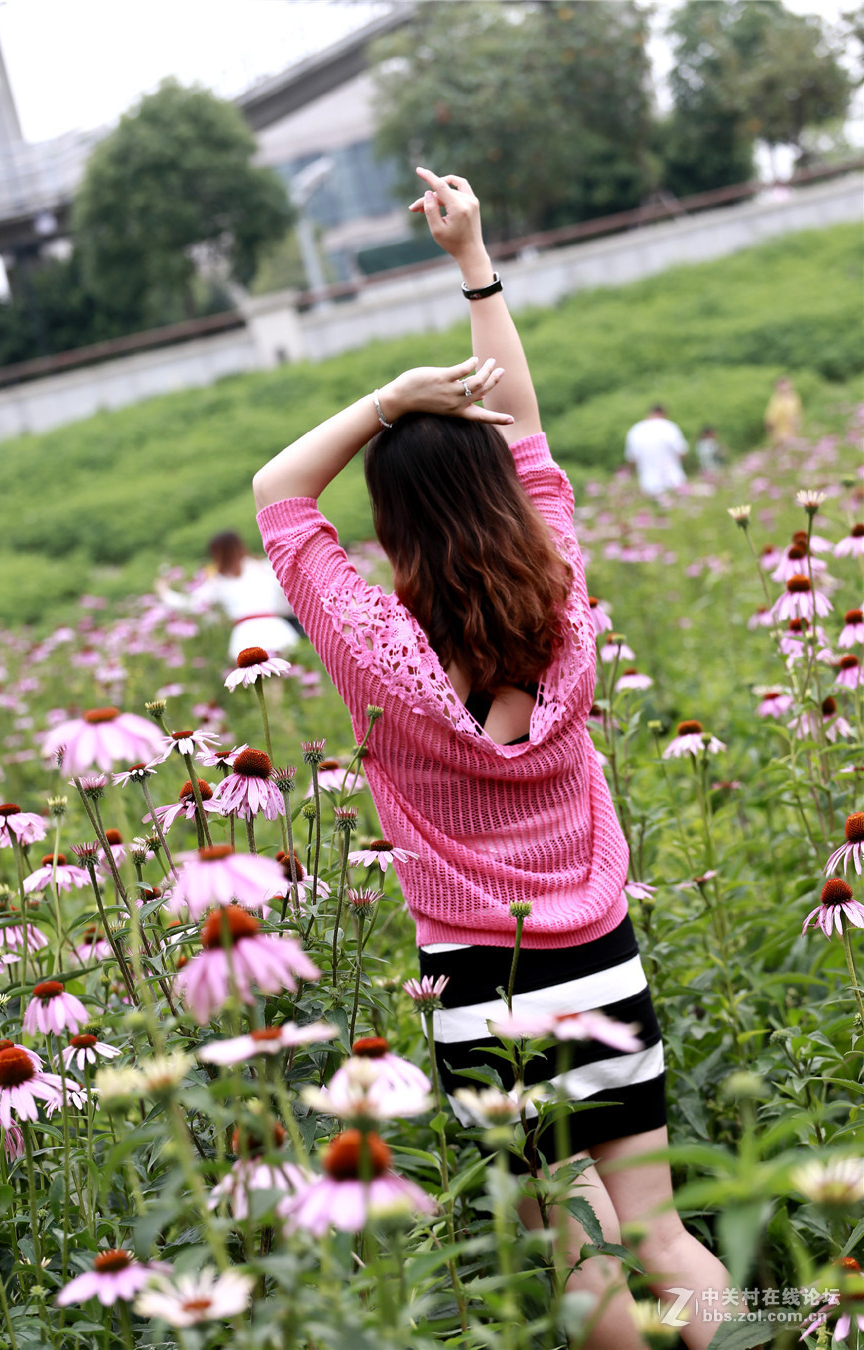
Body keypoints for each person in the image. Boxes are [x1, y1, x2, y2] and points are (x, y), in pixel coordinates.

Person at [253, 167, 735, 1349]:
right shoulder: (562, 600)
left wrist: (388, 400)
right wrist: (476, 263)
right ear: (505, 496)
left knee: (579, 1250)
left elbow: (277, 493)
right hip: (603, 955)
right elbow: (529, 437)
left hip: (480, 979)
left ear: (393, 525)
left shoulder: (375, 650)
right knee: (663, 1236)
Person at [155, 530, 299, 664]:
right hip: (277, 629)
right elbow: (287, 598)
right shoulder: (263, 567)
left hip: (245, 635)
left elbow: (191, 605)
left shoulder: (218, 581)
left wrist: (164, 592)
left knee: (261, 685)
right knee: (286, 679)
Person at [624, 404, 688, 497]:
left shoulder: (635, 430)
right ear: (663, 414)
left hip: (648, 485)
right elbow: (683, 453)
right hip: (675, 482)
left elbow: (631, 461)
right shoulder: (669, 427)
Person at [764, 376, 802, 447]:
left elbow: (798, 414)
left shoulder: (794, 398)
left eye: (785, 385)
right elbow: (770, 418)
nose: (783, 388)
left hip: (792, 431)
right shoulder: (775, 399)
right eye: (781, 385)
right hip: (779, 433)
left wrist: (796, 426)